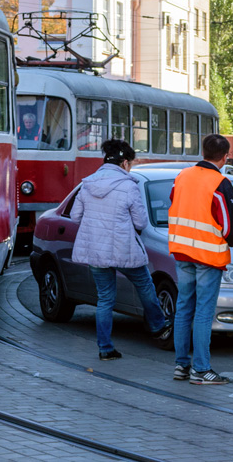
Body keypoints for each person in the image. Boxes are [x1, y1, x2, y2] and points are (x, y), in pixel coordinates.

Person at [69, 138, 171, 360]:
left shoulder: (87, 184)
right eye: (131, 163)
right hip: (124, 249)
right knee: (145, 285)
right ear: (124, 163)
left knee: (105, 299)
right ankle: (158, 326)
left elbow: (75, 216)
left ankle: (105, 348)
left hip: (96, 251)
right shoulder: (128, 186)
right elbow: (141, 223)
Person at [168, 133, 233, 385]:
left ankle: (181, 366)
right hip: (208, 255)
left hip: (181, 250)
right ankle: (201, 370)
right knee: (203, 312)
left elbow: (174, 203)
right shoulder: (220, 182)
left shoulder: (182, 177)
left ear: (203, 152)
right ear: (225, 156)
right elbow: (230, 230)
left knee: (184, 308)